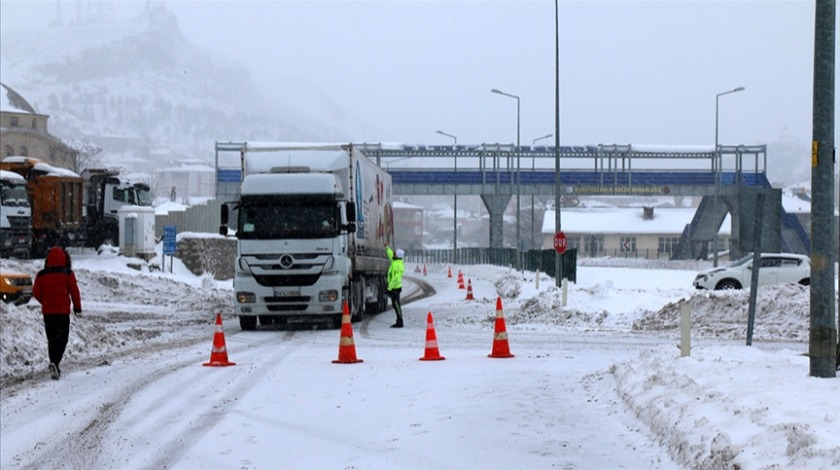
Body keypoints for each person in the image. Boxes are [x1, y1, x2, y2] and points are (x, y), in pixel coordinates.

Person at [32, 247, 82, 380]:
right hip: (63, 312)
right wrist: (77, 308)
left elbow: (36, 292)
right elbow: (74, 292)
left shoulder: (41, 275)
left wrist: (45, 301)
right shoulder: (67, 273)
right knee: (62, 338)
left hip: (48, 313)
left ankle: (54, 362)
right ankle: (55, 362)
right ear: (65, 259)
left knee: (52, 339)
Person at [385, 245, 405, 328]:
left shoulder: (398, 265)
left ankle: (400, 321)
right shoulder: (395, 261)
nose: (393, 253)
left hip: (395, 288)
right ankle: (399, 320)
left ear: (398, 255)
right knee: (394, 304)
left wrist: (389, 287)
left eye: (395, 253)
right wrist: (387, 248)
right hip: (394, 287)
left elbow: (396, 278)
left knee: (396, 304)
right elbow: (390, 255)